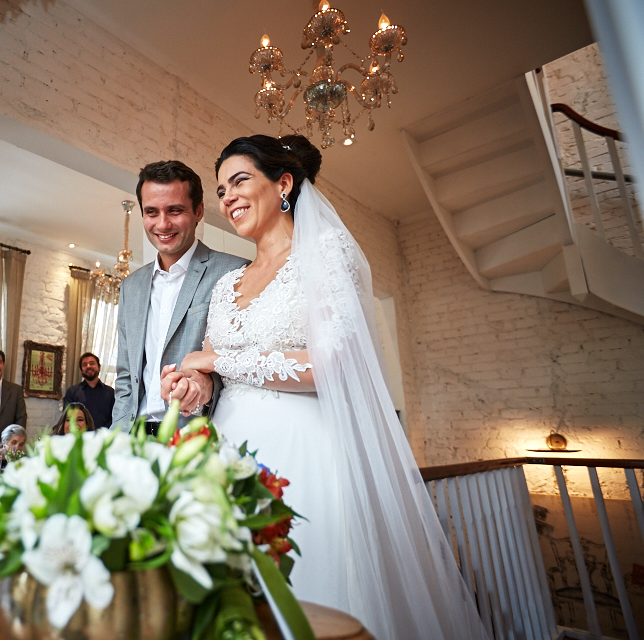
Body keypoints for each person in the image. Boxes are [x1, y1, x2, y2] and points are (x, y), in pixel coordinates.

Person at [165, 135, 487, 640]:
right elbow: (212, 375)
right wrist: (192, 384)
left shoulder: (325, 253)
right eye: (222, 189)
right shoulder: (227, 285)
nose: (227, 197)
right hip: (228, 451)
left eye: (240, 181)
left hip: (306, 449)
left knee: (309, 599)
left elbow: (333, 363)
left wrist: (218, 359)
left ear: (284, 184)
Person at [112, 160, 248, 435]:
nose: (163, 224)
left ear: (198, 211)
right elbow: (126, 376)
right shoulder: (131, 286)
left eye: (175, 211)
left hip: (198, 435)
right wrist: (116, 436)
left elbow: (240, 367)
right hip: (133, 436)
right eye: (152, 212)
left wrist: (204, 386)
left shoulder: (235, 271)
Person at [63, 352, 114, 427]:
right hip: (80, 436)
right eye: (84, 365)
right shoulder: (72, 392)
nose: (88, 366)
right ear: (81, 370)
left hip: (104, 437)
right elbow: (68, 417)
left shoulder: (111, 393)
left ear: (99, 367)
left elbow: (115, 417)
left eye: (92, 363)